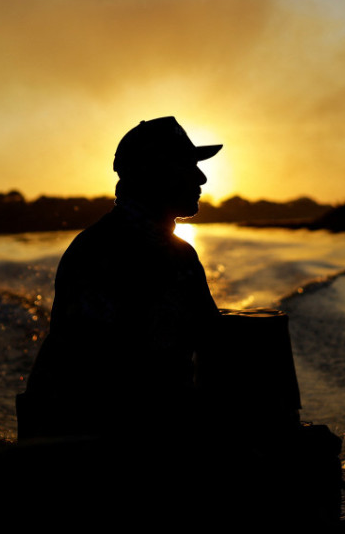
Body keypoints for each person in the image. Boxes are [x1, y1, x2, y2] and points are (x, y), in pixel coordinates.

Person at [21, 116, 222, 440]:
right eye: (187, 166)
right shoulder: (99, 254)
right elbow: (96, 379)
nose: (201, 177)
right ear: (156, 174)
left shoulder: (180, 253)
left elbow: (211, 339)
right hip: (109, 449)